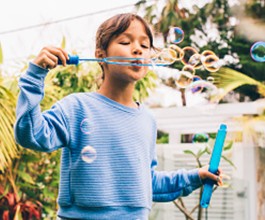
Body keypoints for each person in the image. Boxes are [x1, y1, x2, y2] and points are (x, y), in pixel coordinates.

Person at [14, 13, 222, 220]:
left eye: (145, 44)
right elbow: (31, 135)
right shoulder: (77, 108)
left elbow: (147, 184)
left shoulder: (147, 120)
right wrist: (34, 76)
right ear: (100, 54)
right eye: (125, 41)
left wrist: (196, 176)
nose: (137, 49)